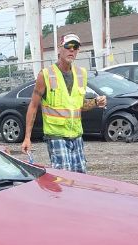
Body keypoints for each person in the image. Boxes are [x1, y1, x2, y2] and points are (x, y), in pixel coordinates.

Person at [21, 34, 106, 173]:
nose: (72, 50)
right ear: (60, 49)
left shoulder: (81, 74)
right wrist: (27, 138)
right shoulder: (46, 75)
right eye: (68, 46)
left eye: (75, 47)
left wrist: (96, 102)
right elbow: (33, 106)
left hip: (76, 136)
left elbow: (78, 105)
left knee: (81, 178)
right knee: (64, 178)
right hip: (56, 136)